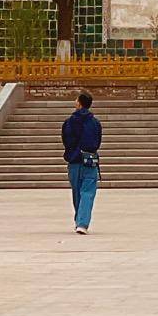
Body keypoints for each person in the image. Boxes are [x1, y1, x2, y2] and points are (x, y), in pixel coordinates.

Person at [61, 91, 102, 235]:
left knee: (77, 192)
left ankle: (80, 220)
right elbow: (97, 142)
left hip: (74, 161)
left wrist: (72, 152)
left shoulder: (69, 122)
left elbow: (66, 140)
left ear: (79, 103)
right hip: (89, 161)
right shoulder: (95, 123)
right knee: (87, 192)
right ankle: (82, 223)